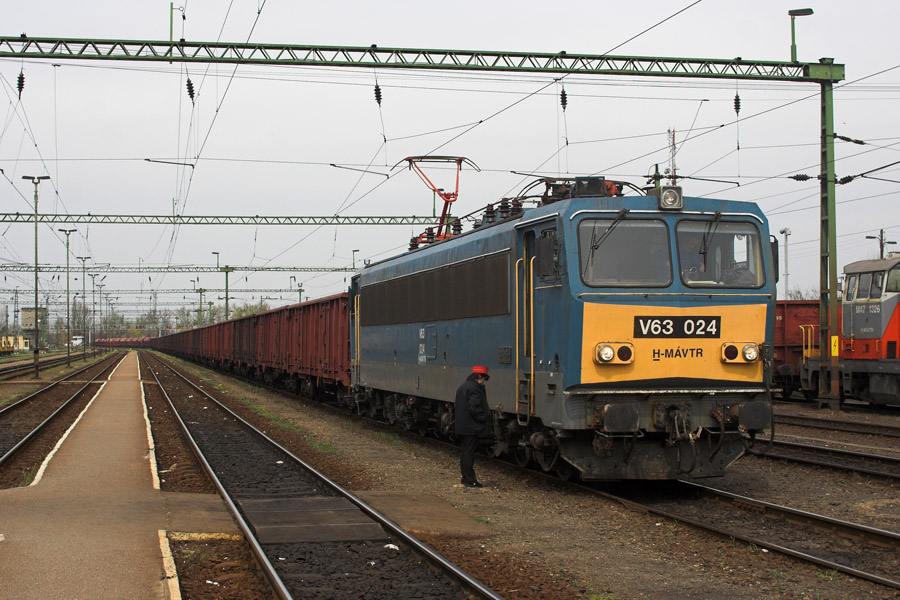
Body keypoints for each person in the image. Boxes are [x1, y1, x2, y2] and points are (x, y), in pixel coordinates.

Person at [455, 365, 491, 488]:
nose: (484, 381)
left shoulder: (463, 386)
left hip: (463, 426)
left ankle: (466, 477)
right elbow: (474, 407)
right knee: (469, 453)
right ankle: (469, 480)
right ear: (479, 376)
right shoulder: (475, 389)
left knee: (465, 452)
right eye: (484, 378)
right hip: (471, 427)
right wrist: (484, 418)